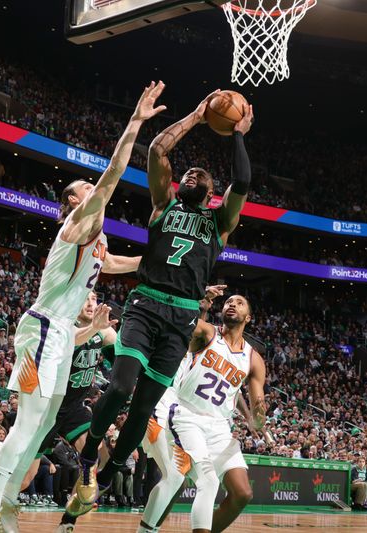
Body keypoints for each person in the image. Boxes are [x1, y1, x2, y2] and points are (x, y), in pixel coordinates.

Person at [0, 81, 166, 533]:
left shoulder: (97, 242)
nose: (94, 188)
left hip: (58, 335)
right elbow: (113, 176)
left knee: (43, 427)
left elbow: (116, 262)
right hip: (40, 327)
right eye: (86, 187)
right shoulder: (76, 224)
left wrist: (161, 260)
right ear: (73, 202)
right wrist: (134, 123)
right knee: (31, 420)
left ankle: (7, 504)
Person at [70, 88, 254, 522]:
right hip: (146, 305)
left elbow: (242, 184)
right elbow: (156, 149)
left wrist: (239, 136)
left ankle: (114, 469)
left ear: (211, 192)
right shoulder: (163, 203)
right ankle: (91, 452)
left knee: (141, 406)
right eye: (186, 172)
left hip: (181, 318)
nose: (191, 174)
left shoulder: (219, 222)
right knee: (118, 387)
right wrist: (195, 115)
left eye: (200, 175)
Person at [137, 294, 265, 533]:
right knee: (203, 481)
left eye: (239, 303)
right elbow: (182, 324)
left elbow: (255, 410)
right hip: (187, 413)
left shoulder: (253, 359)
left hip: (219, 425)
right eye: (228, 302)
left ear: (248, 317)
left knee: (242, 493)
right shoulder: (207, 333)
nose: (231, 305)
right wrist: (199, 304)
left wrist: (257, 417)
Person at [20, 292, 116, 505]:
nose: (91, 303)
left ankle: (74, 507)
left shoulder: (104, 332)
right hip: (49, 408)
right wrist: (97, 328)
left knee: (94, 454)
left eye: (94, 298)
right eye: (85, 298)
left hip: (74, 407)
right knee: (26, 478)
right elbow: (73, 340)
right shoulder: (64, 325)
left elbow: (122, 356)